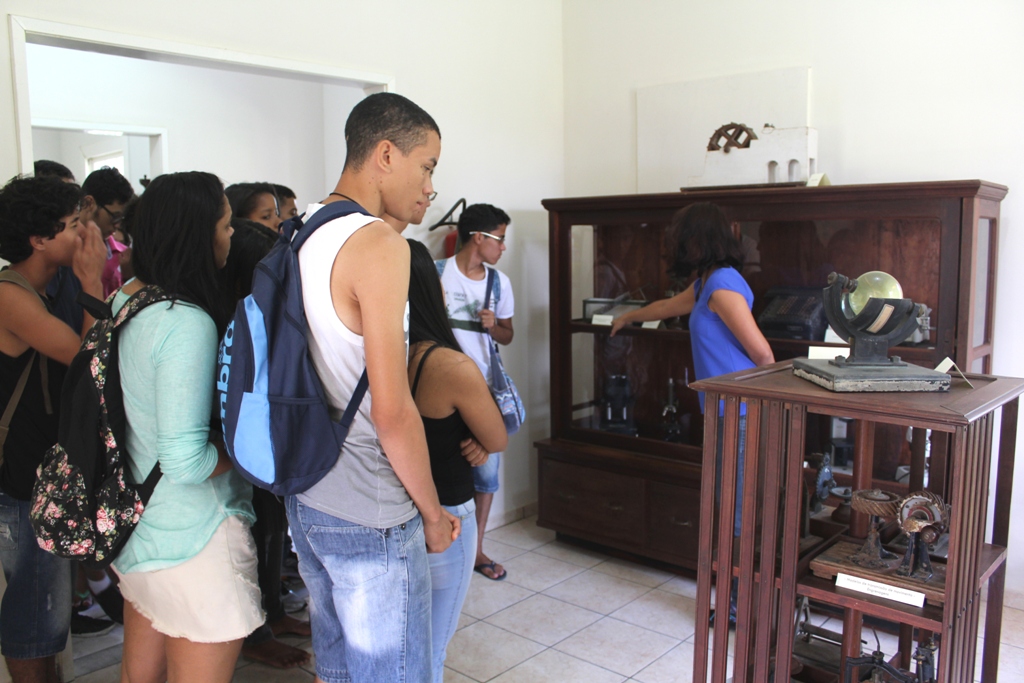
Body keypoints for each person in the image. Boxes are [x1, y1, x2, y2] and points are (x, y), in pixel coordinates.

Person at [284, 92, 458, 683]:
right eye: (426, 166)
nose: (430, 186)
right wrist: (432, 513)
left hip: (308, 492)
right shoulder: (380, 246)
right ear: (386, 154)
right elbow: (393, 411)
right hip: (369, 506)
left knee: (337, 671)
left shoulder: (304, 229)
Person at [112, 171, 263, 683]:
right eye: (225, 225)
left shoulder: (130, 300)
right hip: (196, 539)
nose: (232, 235)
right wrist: (245, 450)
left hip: (141, 527)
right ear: (197, 235)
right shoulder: (186, 322)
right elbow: (185, 460)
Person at [610, 201, 774, 625]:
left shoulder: (722, 285)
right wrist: (629, 317)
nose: (675, 243)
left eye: (681, 236)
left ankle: (738, 605)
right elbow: (668, 308)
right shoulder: (706, 283)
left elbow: (763, 355)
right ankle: (735, 600)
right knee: (729, 506)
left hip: (740, 413)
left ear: (697, 239)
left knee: (736, 512)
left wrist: (763, 406)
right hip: (723, 412)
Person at [0, 175, 106, 683]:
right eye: (72, 225)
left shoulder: (40, 290)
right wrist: (92, 282)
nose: (85, 233)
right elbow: (87, 361)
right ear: (39, 240)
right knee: (34, 609)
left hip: (39, 475)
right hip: (20, 480)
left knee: (45, 608)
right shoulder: (9, 295)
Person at [406, 238, 506, 680]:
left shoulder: (369, 355)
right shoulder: (448, 365)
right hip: (444, 514)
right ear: (432, 291)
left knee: (396, 641)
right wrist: (477, 438)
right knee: (429, 647)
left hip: (390, 508)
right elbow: (497, 437)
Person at [220, 217, 313, 670]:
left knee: (274, 529)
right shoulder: (229, 318)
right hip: (244, 449)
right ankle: (255, 633)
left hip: (267, 442)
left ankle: (273, 613)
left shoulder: (265, 309)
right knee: (255, 537)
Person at [436, 203, 515, 581]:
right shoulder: (437, 274)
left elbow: (508, 336)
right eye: (499, 238)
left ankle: (477, 549)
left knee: (486, 475)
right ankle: (441, 546)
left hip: (484, 391)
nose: (503, 247)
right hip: (437, 392)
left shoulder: (499, 284)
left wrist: (492, 326)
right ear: (478, 238)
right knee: (440, 469)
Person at [79, 167, 135, 297]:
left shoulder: (123, 256)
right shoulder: (65, 251)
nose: (117, 225)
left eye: (121, 218)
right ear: (89, 203)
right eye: (114, 216)